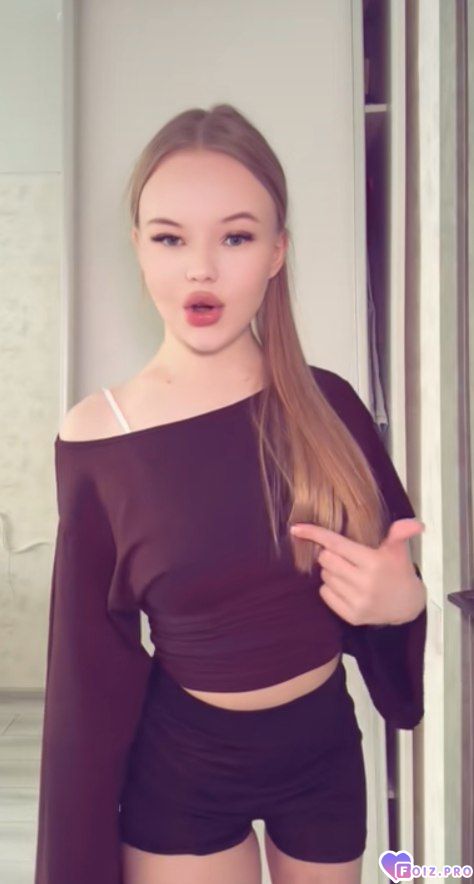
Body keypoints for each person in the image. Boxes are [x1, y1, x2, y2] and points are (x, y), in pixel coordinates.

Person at [34, 103, 427, 884]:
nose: (201, 270)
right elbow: (86, 664)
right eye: (170, 238)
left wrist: (402, 603)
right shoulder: (98, 437)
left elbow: (396, 582)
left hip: (323, 752)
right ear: (138, 247)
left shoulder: (331, 404)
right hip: (184, 767)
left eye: (236, 237)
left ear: (277, 252)